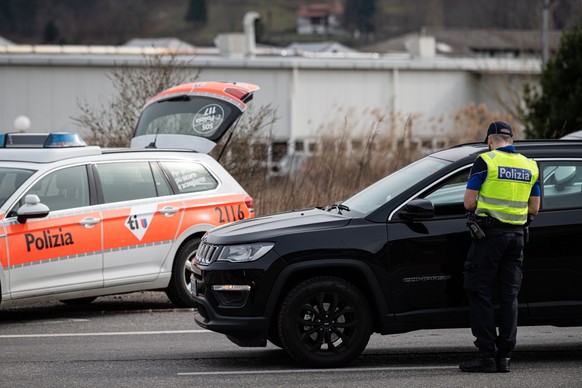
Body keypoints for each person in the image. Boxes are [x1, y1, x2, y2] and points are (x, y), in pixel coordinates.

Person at [460, 121, 540, 373]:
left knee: (478, 289)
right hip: (517, 237)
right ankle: (505, 356)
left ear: (489, 140)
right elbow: (534, 209)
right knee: (509, 296)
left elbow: (469, 203)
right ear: (512, 141)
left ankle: (486, 355)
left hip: (489, 236)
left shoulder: (486, 161)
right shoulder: (530, 165)